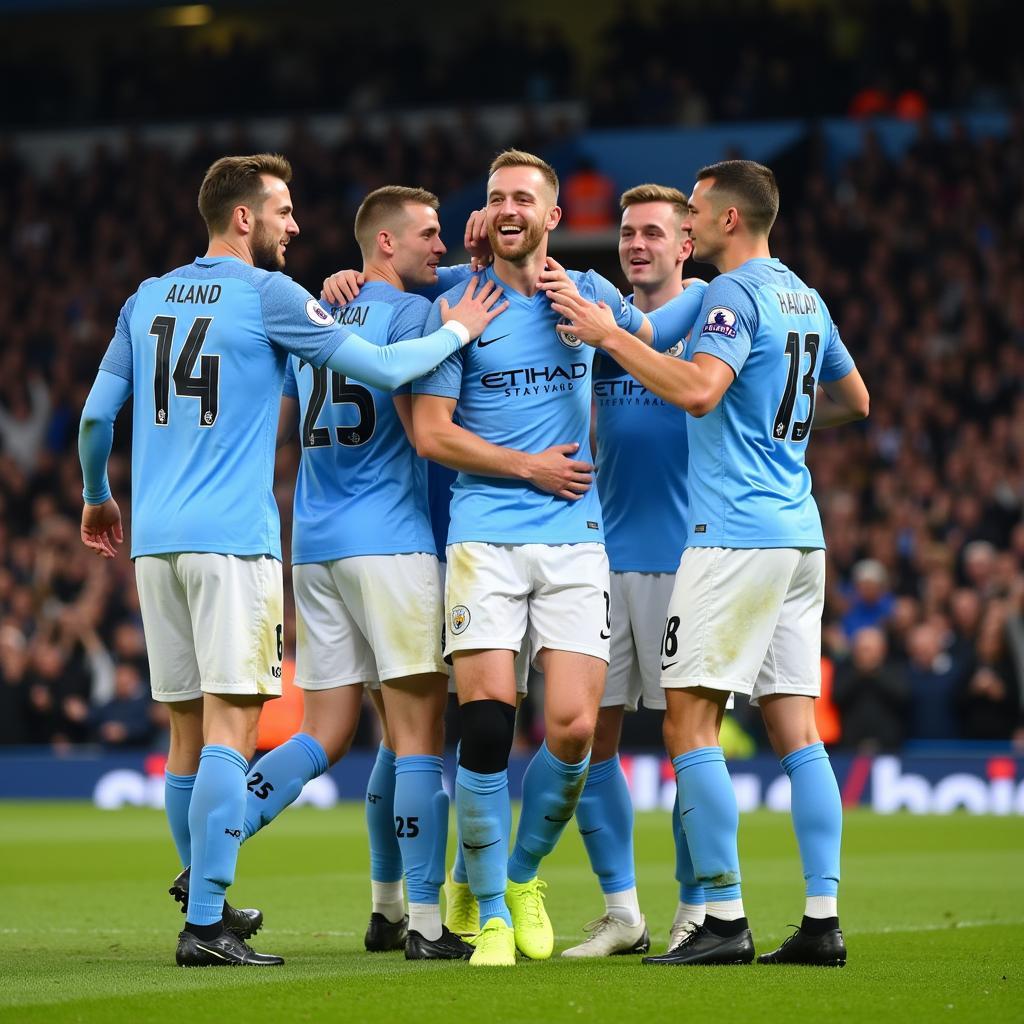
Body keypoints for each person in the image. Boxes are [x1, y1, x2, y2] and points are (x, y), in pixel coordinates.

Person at [77, 153, 501, 967]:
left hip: (165, 543)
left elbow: (98, 415)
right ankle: (213, 923)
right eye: (283, 211)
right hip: (245, 541)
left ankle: (210, 894)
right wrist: (457, 328)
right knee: (255, 729)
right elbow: (378, 369)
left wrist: (98, 493)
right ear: (245, 218)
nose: (295, 225)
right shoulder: (273, 295)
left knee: (189, 734)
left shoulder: (146, 296)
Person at [547, 158, 869, 967]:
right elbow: (854, 401)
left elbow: (696, 391)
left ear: (729, 220)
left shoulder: (733, 293)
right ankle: (822, 920)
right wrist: (774, 433)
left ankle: (721, 916)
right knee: (798, 732)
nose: (686, 222)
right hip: (800, 534)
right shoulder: (805, 296)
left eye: (693, 210)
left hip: (732, 535)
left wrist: (611, 335)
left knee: (691, 722)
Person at [411, 149, 707, 967]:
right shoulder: (457, 301)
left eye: (524, 199)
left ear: (552, 217)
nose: (510, 208)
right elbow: (432, 432)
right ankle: (494, 917)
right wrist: (528, 466)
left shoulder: (588, 295)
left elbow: (661, 336)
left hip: (577, 543)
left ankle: (518, 874)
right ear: (487, 214)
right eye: (497, 197)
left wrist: (718, 294)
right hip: (485, 535)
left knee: (575, 729)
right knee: (485, 722)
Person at [239, 185, 500, 961]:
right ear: (385, 243)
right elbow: (461, 318)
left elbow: (299, 389)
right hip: (390, 542)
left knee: (326, 732)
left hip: (314, 544)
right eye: (426, 236)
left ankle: (218, 844)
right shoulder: (421, 316)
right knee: (417, 736)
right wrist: (458, 316)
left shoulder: (317, 316)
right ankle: (426, 923)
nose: (440, 249)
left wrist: (341, 284)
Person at [563, 184, 703, 958]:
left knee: (692, 743)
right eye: (626, 233)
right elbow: (516, 279)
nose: (637, 243)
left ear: (686, 242)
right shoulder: (595, 310)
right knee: (589, 740)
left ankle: (696, 908)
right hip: (601, 557)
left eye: (653, 232)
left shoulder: (713, 311)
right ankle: (623, 913)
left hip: (689, 559)